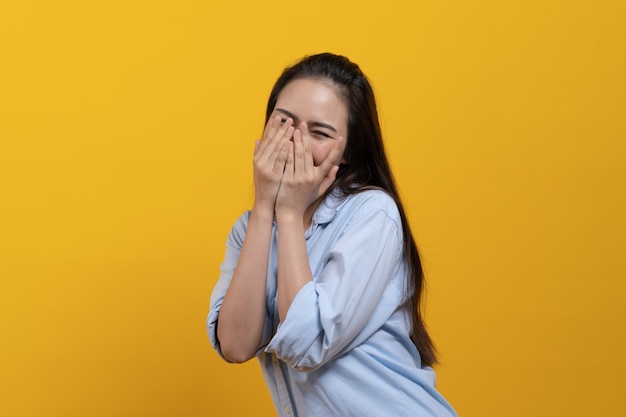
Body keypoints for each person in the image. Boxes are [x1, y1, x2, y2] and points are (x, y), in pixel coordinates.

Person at [207, 52, 457, 417]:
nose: (296, 141)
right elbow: (235, 344)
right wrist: (264, 208)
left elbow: (306, 344)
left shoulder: (372, 213)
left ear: (347, 153)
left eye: (320, 132)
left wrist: (289, 212)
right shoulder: (248, 230)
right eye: (284, 122)